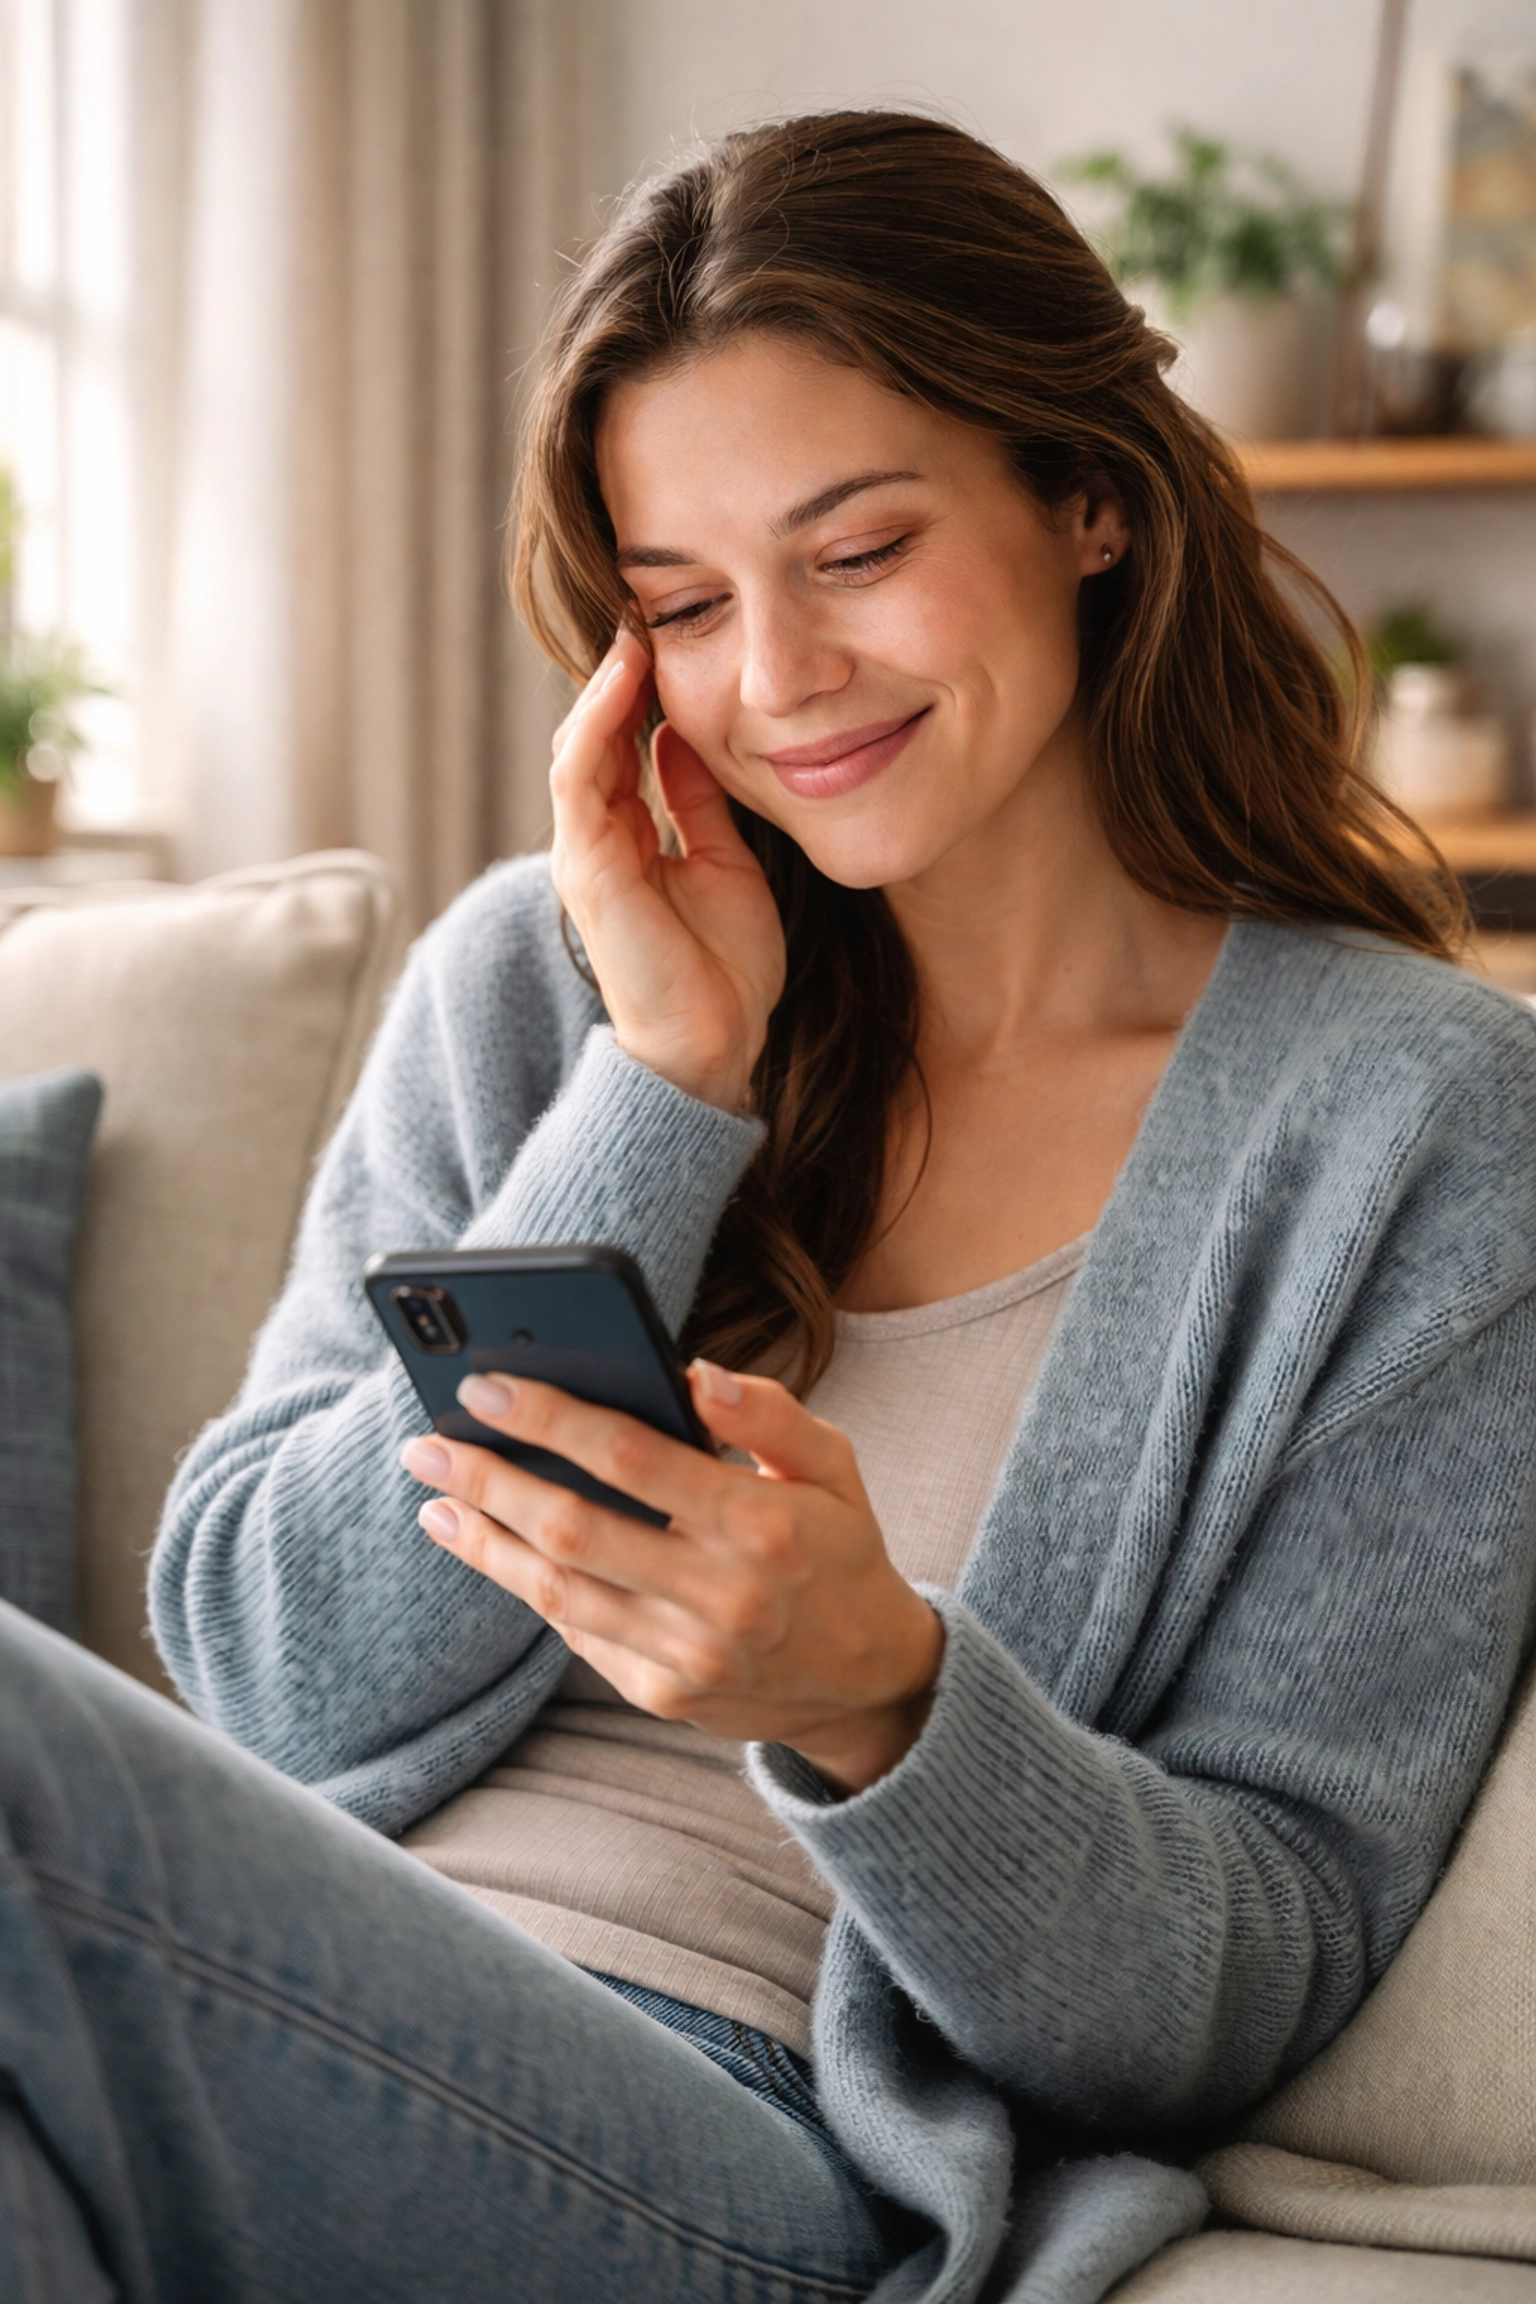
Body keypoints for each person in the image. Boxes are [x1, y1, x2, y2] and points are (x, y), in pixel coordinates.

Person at [4, 109, 1536, 2304]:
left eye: (860, 549)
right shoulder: (547, 985)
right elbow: (265, 1683)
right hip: (295, 1988)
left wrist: (878, 1697)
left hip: (732, 2140)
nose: (780, 679)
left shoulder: (1427, 1131)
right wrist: (658, 1084)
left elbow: (1248, 1970)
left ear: (1089, 495)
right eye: (686, 607)